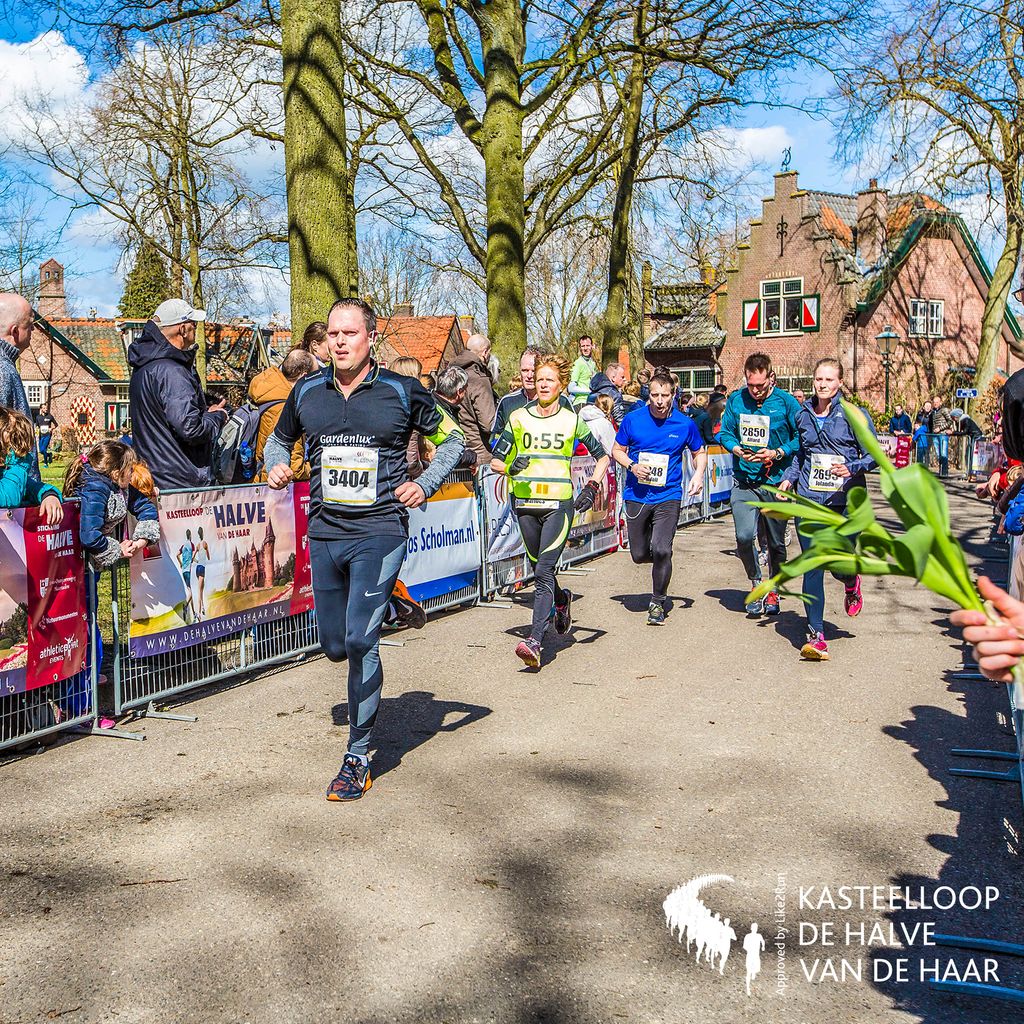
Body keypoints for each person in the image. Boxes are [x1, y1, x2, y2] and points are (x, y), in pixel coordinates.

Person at [264, 297, 465, 802]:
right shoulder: (307, 391)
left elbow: (455, 439)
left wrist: (427, 484)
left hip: (380, 530)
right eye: (332, 333)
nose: (339, 341)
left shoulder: (402, 390)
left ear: (369, 338)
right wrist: (274, 465)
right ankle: (391, 601)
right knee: (334, 647)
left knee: (359, 642)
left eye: (349, 333)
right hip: (327, 531)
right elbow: (276, 442)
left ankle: (357, 756)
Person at [490, 354, 609, 668]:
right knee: (540, 570)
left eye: (549, 380)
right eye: (539, 379)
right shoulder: (518, 417)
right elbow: (494, 461)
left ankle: (535, 641)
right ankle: (561, 600)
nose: (542, 384)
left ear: (562, 385)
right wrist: (510, 467)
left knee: (543, 571)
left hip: (558, 505)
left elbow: (603, 458)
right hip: (526, 504)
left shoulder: (571, 420)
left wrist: (591, 488)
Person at [779, 358, 876, 660]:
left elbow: (874, 453)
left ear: (839, 383)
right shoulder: (803, 414)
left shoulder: (853, 414)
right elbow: (799, 455)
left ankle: (851, 581)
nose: (822, 384)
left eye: (828, 380)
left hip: (844, 502)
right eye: (818, 379)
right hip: (809, 501)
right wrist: (787, 480)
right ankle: (816, 634)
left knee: (840, 564)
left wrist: (851, 467)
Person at [611, 368, 707, 624]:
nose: (660, 401)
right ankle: (660, 561)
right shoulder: (633, 419)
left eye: (665, 395)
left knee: (662, 548)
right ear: (648, 395)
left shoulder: (684, 423)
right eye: (655, 395)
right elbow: (616, 450)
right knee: (639, 554)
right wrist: (631, 465)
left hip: (669, 494)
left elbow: (700, 452)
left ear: (673, 395)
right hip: (637, 494)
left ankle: (657, 600)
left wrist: (698, 476)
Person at [63, 440, 160, 685]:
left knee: (90, 615)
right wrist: (117, 548)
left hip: (91, 567)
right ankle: (85, 680)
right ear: (117, 471)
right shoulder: (95, 488)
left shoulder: (120, 487)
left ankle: (90, 674)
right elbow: (89, 534)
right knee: (84, 620)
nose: (133, 472)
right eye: (130, 469)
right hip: (74, 568)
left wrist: (141, 539)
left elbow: (145, 506)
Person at [718, 352, 800, 617]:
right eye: (750, 384)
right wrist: (736, 449)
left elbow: (802, 437)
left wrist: (778, 453)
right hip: (745, 482)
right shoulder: (736, 400)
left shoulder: (786, 403)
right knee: (743, 537)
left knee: (776, 544)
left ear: (771, 377)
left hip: (776, 483)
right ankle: (757, 582)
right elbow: (725, 432)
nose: (754, 391)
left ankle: (775, 588)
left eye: (760, 386)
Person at [128, 298, 227, 490]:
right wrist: (217, 416)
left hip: (151, 476)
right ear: (182, 329)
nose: (196, 328)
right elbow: (191, 429)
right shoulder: (173, 372)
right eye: (193, 324)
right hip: (180, 483)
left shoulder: (144, 367)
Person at [249, 348, 317, 482]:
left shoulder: (268, 390)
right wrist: (321, 467)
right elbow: (295, 469)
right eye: (315, 376)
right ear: (304, 376)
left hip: (261, 478)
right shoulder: (286, 407)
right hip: (278, 487)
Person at [491, 348, 574, 443]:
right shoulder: (507, 402)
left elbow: (575, 437)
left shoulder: (562, 401)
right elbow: (495, 439)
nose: (529, 376)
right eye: (525, 370)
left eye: (534, 371)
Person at [0, 292, 41, 478]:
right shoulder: (2, 371)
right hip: (10, 498)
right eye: (29, 325)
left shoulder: (7, 366)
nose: (33, 329)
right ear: (15, 331)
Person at [0, 407, 63, 523]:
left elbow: (31, 486)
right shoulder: (15, 469)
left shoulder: (7, 472)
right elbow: (9, 497)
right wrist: (20, 462)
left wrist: (49, 495)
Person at [451, 334, 498, 463]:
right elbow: (489, 424)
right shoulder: (479, 380)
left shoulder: (450, 374)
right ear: (485, 352)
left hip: (454, 450)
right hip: (479, 453)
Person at [433, 365, 478, 469]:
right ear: (459, 392)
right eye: (465, 389)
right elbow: (448, 453)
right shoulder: (437, 412)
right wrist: (471, 457)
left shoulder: (433, 404)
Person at [569, 334, 598, 402]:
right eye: (583, 346)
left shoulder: (593, 363)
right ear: (580, 348)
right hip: (581, 402)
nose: (585, 348)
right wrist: (590, 391)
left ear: (592, 346)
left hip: (592, 401)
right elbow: (571, 388)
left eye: (587, 345)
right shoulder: (578, 363)